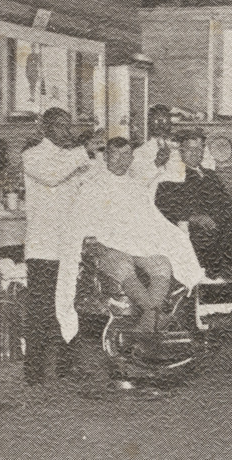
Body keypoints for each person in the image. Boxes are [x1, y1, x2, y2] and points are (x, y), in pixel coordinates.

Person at [56, 137, 204, 344]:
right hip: (104, 245)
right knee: (123, 265)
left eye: (126, 155)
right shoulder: (91, 186)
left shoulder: (135, 186)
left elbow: (148, 219)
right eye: (116, 154)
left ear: (132, 158)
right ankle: (153, 315)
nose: (121, 160)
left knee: (162, 264)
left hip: (134, 243)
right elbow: (78, 225)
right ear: (106, 156)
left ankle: (146, 325)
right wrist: (90, 241)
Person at [22, 106, 93, 386]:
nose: (67, 131)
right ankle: (34, 372)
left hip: (69, 246)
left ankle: (66, 366)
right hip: (43, 247)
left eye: (69, 126)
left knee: (69, 306)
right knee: (41, 311)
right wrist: (82, 151)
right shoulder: (32, 156)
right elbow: (52, 175)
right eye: (61, 126)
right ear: (45, 129)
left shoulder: (72, 157)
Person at [155, 129, 232, 286]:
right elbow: (165, 207)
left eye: (200, 148)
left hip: (223, 224)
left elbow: (228, 202)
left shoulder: (210, 174)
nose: (196, 153)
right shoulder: (172, 176)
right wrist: (194, 218)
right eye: (191, 149)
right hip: (197, 229)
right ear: (181, 150)